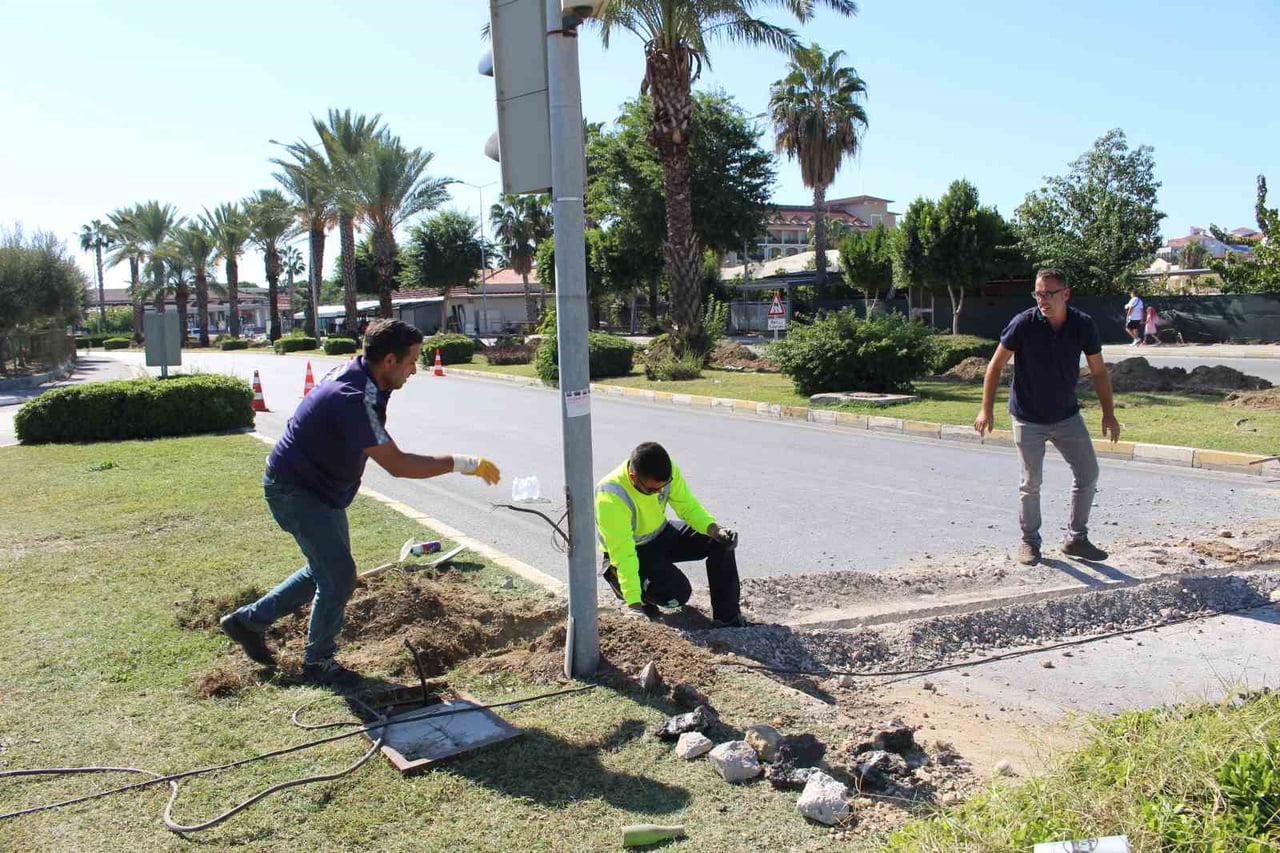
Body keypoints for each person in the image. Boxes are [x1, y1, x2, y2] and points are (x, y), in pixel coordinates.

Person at [220, 318, 501, 684]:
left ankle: (247, 622)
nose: (415, 370)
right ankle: (318, 663)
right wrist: (465, 464)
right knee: (338, 577)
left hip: (317, 488)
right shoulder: (353, 398)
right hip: (298, 490)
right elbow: (398, 465)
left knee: (325, 569)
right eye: (411, 361)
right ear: (388, 360)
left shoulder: (362, 376)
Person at [974, 269, 1121, 567]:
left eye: (1049, 294)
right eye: (1038, 294)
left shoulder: (1082, 325)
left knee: (1088, 473)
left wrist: (1109, 413)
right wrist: (985, 409)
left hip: (1066, 415)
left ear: (1065, 294)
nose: (1043, 300)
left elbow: (1099, 372)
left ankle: (1076, 539)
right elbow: (995, 366)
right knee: (1031, 482)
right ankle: (1030, 541)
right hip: (1027, 417)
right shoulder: (1023, 324)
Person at [595, 442, 746, 627]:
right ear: (633, 477)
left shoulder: (667, 471)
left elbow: (687, 506)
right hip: (634, 550)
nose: (658, 492)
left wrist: (715, 529)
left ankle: (728, 617)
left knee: (721, 542)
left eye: (662, 487)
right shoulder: (611, 496)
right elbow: (624, 554)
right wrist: (634, 605)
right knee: (677, 595)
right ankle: (633, 592)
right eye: (652, 490)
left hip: (661, 533)